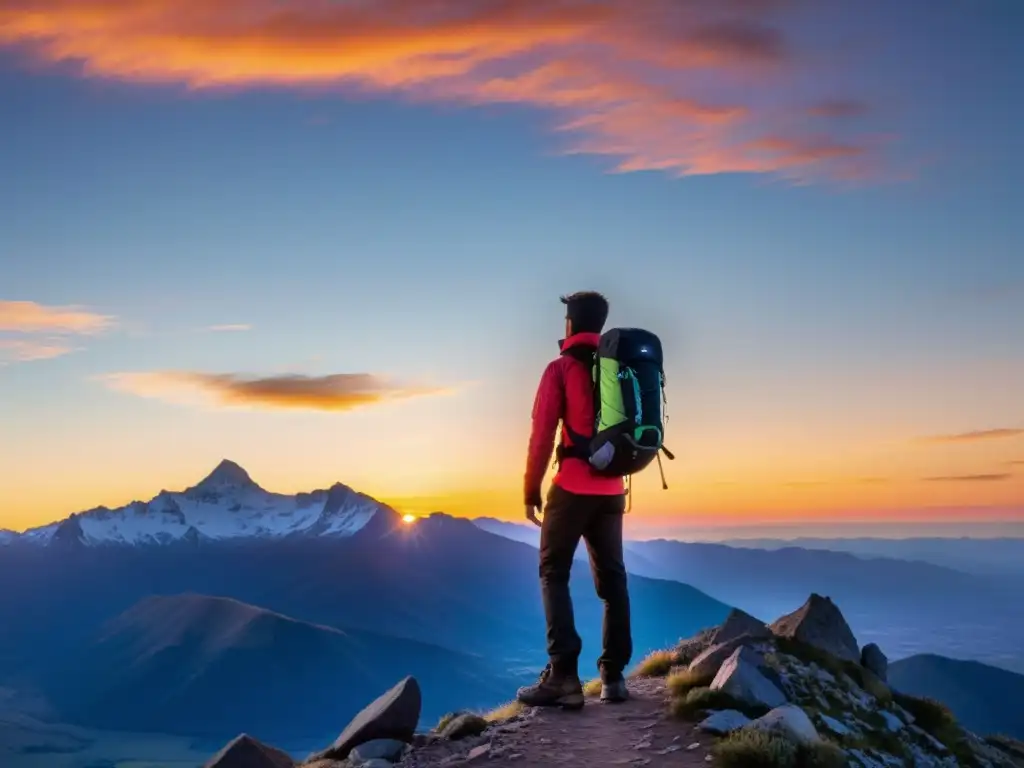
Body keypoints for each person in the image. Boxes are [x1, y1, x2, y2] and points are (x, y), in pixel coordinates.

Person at [516, 291, 632, 709]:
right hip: (613, 489)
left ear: (569, 325)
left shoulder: (560, 369)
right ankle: (614, 676)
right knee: (612, 580)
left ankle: (563, 676)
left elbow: (542, 435)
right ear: (599, 325)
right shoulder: (619, 370)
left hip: (571, 489)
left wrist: (531, 490)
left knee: (553, 572)